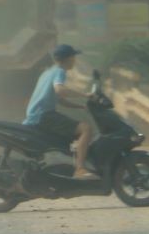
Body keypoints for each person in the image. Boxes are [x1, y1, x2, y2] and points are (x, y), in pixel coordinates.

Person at [23, 43, 97, 176]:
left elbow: (59, 99)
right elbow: (60, 90)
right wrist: (85, 95)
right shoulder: (60, 71)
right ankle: (80, 169)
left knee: (74, 130)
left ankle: (72, 162)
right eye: (73, 57)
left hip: (37, 115)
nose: (75, 61)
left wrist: (80, 106)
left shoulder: (47, 73)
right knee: (86, 128)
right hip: (44, 115)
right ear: (68, 58)